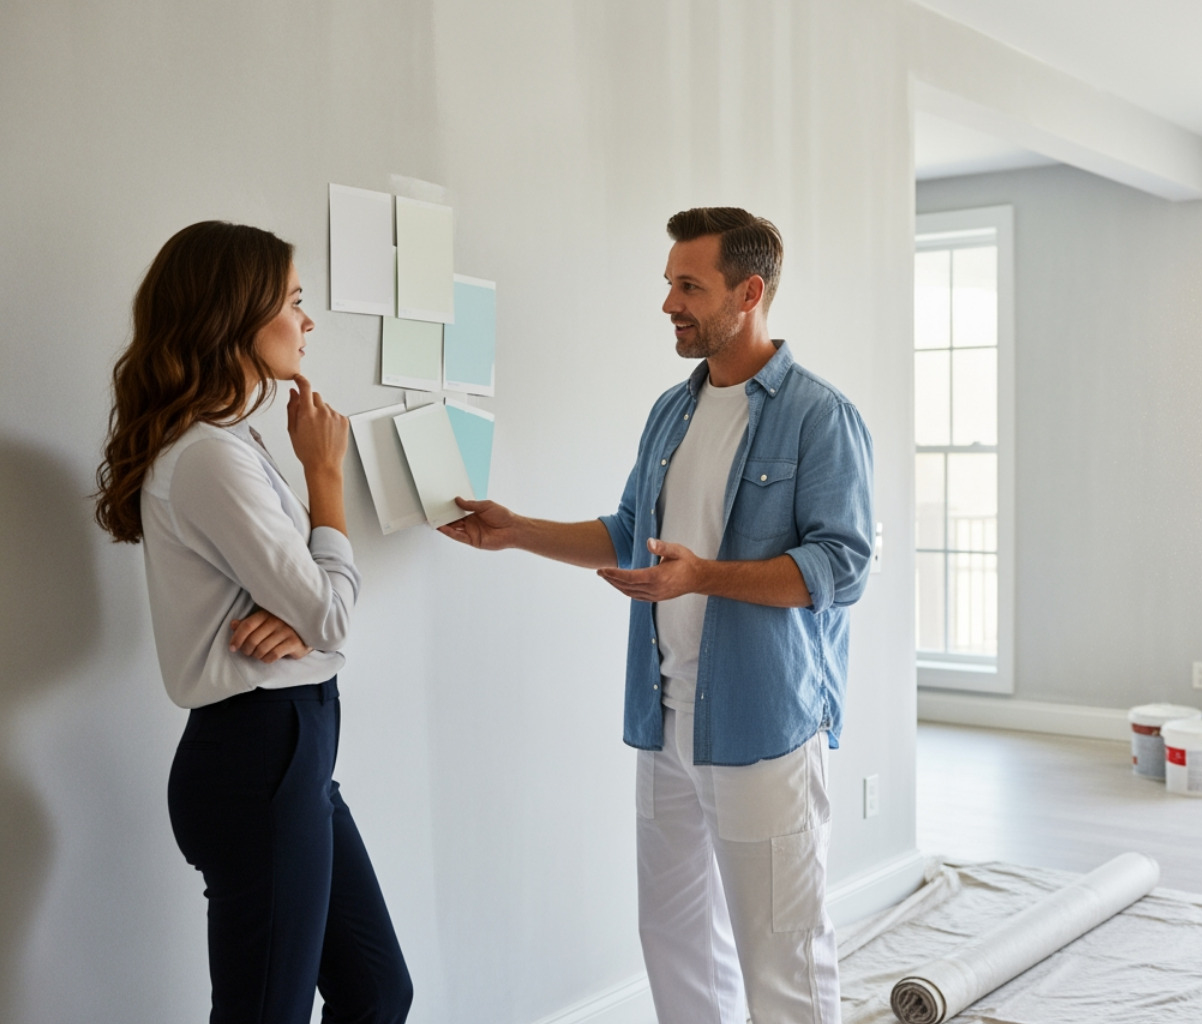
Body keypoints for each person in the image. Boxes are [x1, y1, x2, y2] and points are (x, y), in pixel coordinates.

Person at [439, 207, 873, 1022]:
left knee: (781, 957)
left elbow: (842, 568)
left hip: (763, 726)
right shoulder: (672, 412)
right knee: (674, 942)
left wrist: (704, 576)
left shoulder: (819, 415)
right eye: (670, 284)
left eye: (689, 287)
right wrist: (516, 531)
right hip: (665, 717)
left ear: (749, 293)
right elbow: (628, 532)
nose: (669, 304)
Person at [94, 221, 412, 1024]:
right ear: (232, 314)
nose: (308, 322)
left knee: (377, 992)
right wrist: (325, 475)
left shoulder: (234, 444)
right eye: (294, 302)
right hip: (257, 753)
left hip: (292, 751)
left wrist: (307, 619)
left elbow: (316, 609)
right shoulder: (209, 457)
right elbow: (330, 610)